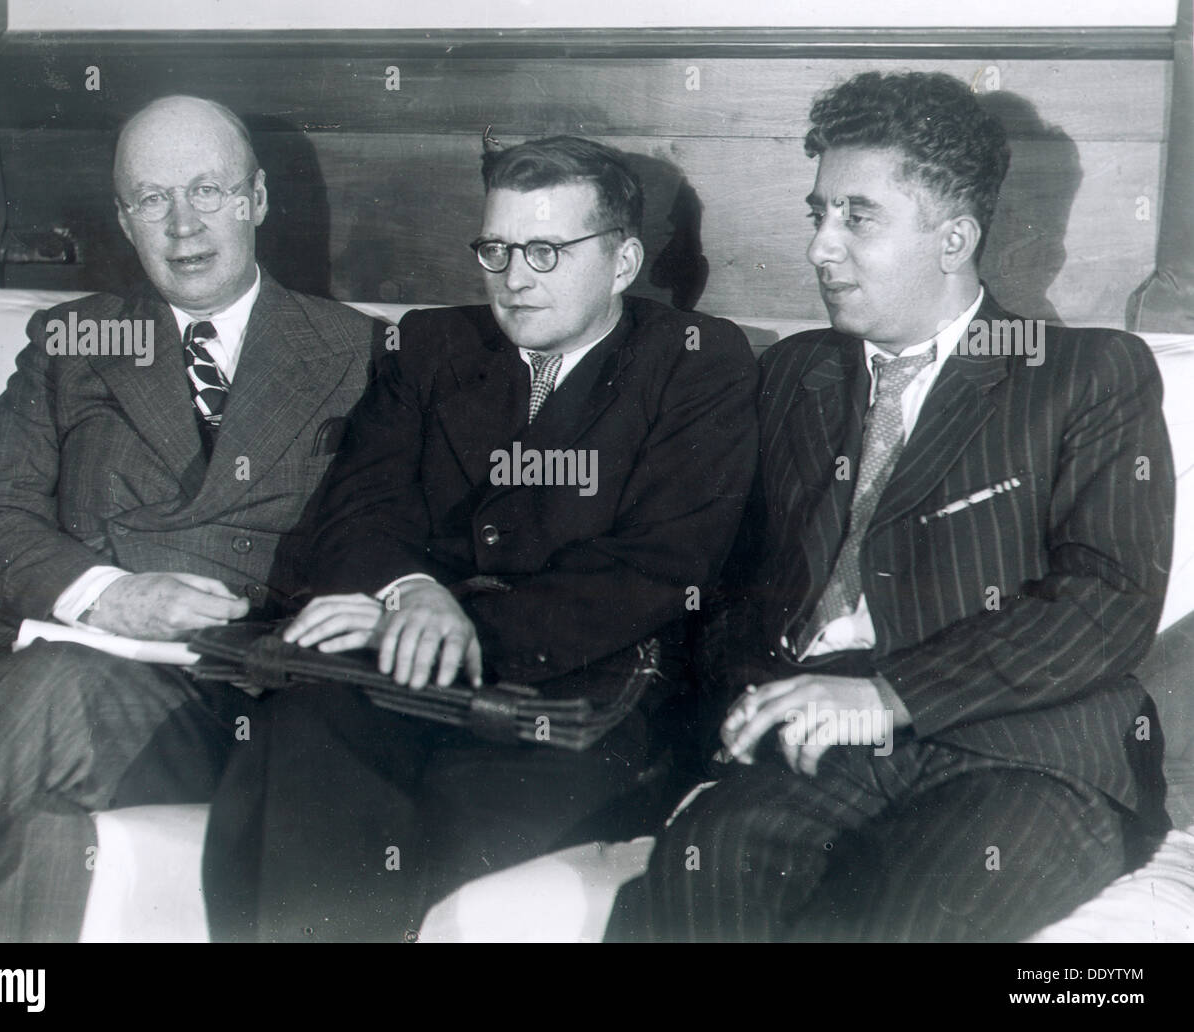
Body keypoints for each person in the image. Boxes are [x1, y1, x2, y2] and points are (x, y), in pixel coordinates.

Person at [610, 70, 1175, 942]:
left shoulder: (1086, 372)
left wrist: (890, 694)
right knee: (699, 883)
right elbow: (725, 574)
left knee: (888, 924)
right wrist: (748, 698)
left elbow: (1109, 601)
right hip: (823, 741)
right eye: (818, 214)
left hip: (1023, 755)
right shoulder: (795, 374)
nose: (820, 248)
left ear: (955, 239)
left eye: (857, 217)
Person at [202, 135, 760, 941]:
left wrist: (452, 621)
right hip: (400, 674)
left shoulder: (695, 365)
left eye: (545, 249)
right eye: (495, 249)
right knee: (299, 739)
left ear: (624, 260)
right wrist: (410, 594)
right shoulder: (432, 347)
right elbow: (357, 506)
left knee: (445, 825)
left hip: (585, 700)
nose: (514, 277)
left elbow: (663, 567)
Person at [0, 95, 382, 942]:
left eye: (208, 191)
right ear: (124, 219)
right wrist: (109, 595)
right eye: (153, 198)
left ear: (256, 200)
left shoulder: (358, 355)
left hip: (218, 692)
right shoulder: (75, 340)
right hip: (41, 655)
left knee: (55, 697)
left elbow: (393, 543)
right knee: (46, 800)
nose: (183, 225)